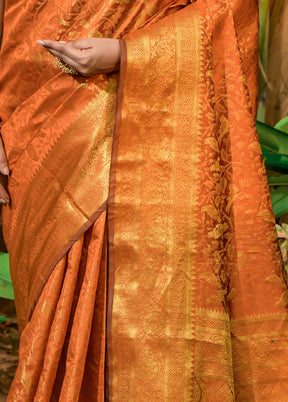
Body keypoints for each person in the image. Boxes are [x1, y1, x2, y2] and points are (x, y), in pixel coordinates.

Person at [0, 0, 288, 400]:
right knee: (48, 320)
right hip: (25, 123)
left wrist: (126, 53)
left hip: (145, 124)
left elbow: (229, 8)